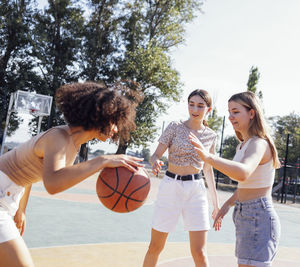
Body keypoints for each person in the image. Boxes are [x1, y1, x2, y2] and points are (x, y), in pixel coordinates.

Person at [0, 82, 144, 267]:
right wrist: (102, 160)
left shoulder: (72, 144)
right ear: (100, 115)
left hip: (9, 197)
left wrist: (21, 210)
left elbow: (27, 174)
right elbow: (52, 184)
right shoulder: (59, 137)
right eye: (114, 121)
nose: (116, 129)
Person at [189, 91, 281, 267]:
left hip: (258, 215)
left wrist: (208, 158)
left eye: (236, 112)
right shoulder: (243, 145)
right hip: (245, 213)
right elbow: (248, 186)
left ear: (252, 113)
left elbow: (243, 173)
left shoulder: (258, 143)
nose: (230, 117)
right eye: (229, 112)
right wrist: (226, 206)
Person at [143, 89, 220, 267]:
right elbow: (155, 155)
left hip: (196, 190)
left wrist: (215, 204)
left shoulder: (211, 135)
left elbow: (208, 170)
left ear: (208, 109)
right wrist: (155, 162)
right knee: (155, 246)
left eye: (200, 105)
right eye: (191, 104)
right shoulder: (174, 127)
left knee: (199, 252)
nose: (195, 108)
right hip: (171, 186)